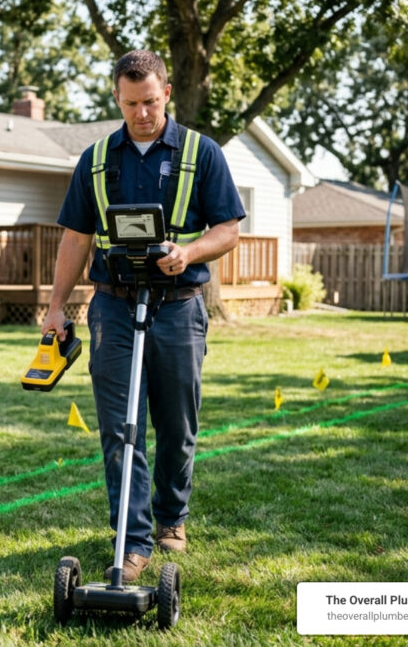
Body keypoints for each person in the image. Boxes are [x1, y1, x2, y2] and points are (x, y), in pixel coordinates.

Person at [40, 49, 244, 582]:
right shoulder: (95, 160)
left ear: (166, 93)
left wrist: (189, 252)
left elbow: (229, 230)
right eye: (131, 104)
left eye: (150, 101)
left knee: (177, 422)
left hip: (178, 308)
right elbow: (76, 237)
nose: (142, 113)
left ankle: (172, 517)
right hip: (112, 306)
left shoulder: (202, 153)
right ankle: (131, 541)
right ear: (117, 98)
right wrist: (56, 306)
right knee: (120, 427)